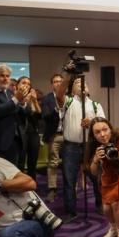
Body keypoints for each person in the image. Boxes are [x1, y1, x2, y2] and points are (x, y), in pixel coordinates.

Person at [55, 63, 105, 223]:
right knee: (69, 181)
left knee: (97, 178)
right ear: (72, 90)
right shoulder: (68, 101)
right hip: (70, 147)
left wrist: (92, 122)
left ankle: (101, 204)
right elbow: (59, 94)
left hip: (90, 147)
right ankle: (71, 212)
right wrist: (69, 75)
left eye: (83, 83)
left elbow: (104, 125)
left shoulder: (95, 105)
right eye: (77, 83)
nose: (81, 84)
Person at [40, 73, 64, 202]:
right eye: (55, 81)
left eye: (60, 81)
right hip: (54, 135)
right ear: (51, 84)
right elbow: (45, 116)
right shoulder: (47, 99)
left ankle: (71, 188)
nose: (58, 83)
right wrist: (56, 109)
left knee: (70, 163)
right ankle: (52, 189)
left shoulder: (70, 98)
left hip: (69, 135)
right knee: (53, 163)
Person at [16, 76, 42, 179]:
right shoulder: (15, 97)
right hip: (21, 133)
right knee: (20, 162)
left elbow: (39, 115)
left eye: (28, 84)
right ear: (18, 85)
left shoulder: (32, 98)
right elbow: (20, 114)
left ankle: (32, 184)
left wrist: (34, 101)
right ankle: (19, 184)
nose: (26, 85)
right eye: (23, 83)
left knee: (33, 162)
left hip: (33, 133)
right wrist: (24, 102)